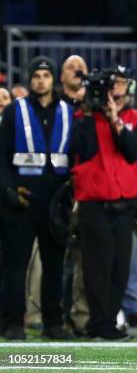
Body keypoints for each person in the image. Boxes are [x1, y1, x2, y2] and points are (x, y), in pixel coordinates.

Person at [71, 67, 137, 341]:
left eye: (120, 84)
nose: (115, 90)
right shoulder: (83, 119)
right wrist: (86, 110)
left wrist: (115, 120)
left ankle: (107, 322)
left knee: (120, 269)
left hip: (125, 205)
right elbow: (79, 148)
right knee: (97, 268)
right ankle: (99, 325)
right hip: (95, 203)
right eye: (112, 85)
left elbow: (132, 151)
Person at [0, 56, 73, 340]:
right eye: (36, 75)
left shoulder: (68, 111)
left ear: (53, 79)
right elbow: (2, 154)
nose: (40, 80)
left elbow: (76, 153)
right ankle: (13, 323)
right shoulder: (14, 110)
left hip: (56, 201)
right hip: (22, 199)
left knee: (54, 264)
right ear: (30, 80)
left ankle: (54, 323)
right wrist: (7, 190)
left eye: (45, 75)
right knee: (15, 265)